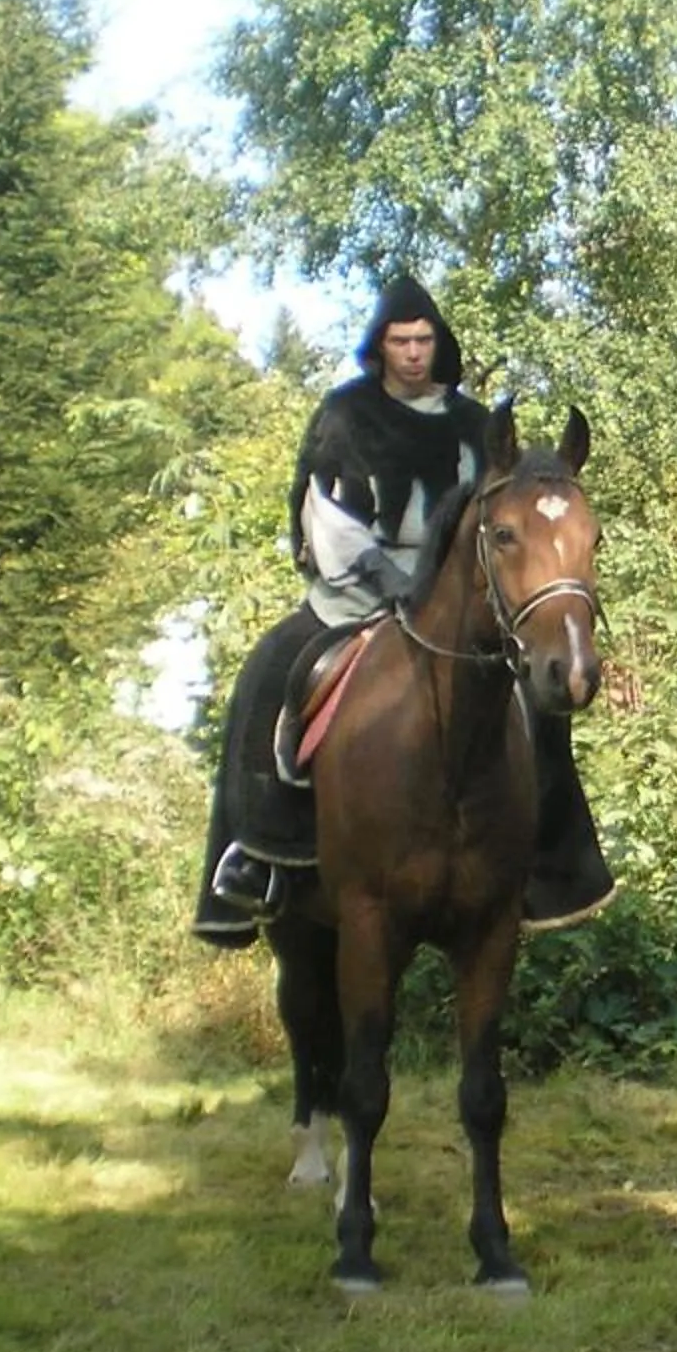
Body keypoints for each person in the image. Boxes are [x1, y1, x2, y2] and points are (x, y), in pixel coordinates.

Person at [194, 276, 615, 940]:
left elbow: (507, 518)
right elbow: (325, 513)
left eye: (423, 340)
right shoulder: (346, 416)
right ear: (381, 346)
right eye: (401, 341)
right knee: (272, 667)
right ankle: (259, 855)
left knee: (541, 696)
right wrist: (389, 576)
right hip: (356, 591)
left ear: (437, 344)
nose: (414, 352)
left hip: (457, 599)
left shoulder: (476, 426)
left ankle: (551, 863)